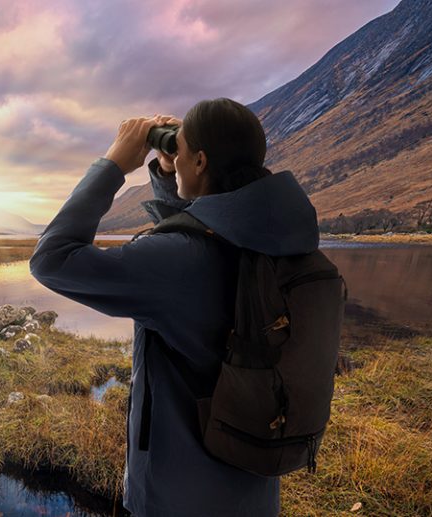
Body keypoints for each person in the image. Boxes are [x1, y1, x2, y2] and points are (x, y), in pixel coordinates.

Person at [29, 98, 320, 516]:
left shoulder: (179, 260)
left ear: (200, 161)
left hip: (177, 495)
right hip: (252, 487)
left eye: (180, 151)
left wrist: (113, 164)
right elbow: (203, 227)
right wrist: (170, 175)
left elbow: (52, 259)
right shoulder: (277, 245)